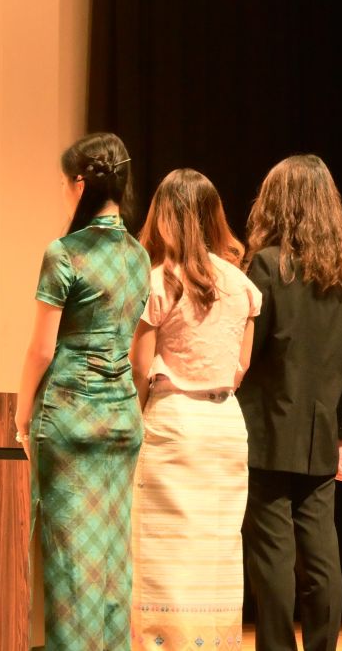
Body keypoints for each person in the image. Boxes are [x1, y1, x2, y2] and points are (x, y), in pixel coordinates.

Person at [13, 132, 150, 651]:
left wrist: (22, 413)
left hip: (69, 417)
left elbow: (40, 350)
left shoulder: (64, 253)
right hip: (122, 420)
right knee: (111, 554)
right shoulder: (139, 256)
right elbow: (134, 353)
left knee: (69, 557)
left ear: (78, 184)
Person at [128, 168, 260, 650]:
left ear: (164, 216)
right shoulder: (240, 283)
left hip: (173, 420)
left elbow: (139, 366)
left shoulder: (159, 280)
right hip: (225, 423)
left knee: (165, 550)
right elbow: (242, 365)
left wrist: (139, 417)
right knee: (216, 548)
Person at [238, 154, 342, 651]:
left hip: (267, 425)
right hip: (321, 427)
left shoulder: (268, 266)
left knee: (272, 551)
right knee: (321, 551)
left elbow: (249, 351)